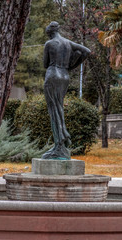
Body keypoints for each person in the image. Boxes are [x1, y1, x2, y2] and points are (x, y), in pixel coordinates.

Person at [42, 21, 91, 160]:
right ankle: (62, 140)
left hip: (53, 75)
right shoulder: (67, 42)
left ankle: (59, 145)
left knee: (54, 109)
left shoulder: (49, 44)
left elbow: (45, 64)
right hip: (64, 75)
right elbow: (86, 51)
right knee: (59, 108)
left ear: (50, 32)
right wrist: (72, 65)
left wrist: (70, 64)